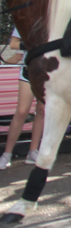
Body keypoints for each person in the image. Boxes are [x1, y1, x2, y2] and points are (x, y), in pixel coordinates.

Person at [0, 28, 45, 170]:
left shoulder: (51, 17)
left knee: (42, 110)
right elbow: (14, 44)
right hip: (28, 69)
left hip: (47, 70)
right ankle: (7, 154)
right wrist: (34, 45)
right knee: (21, 111)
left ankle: (33, 151)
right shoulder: (25, 18)